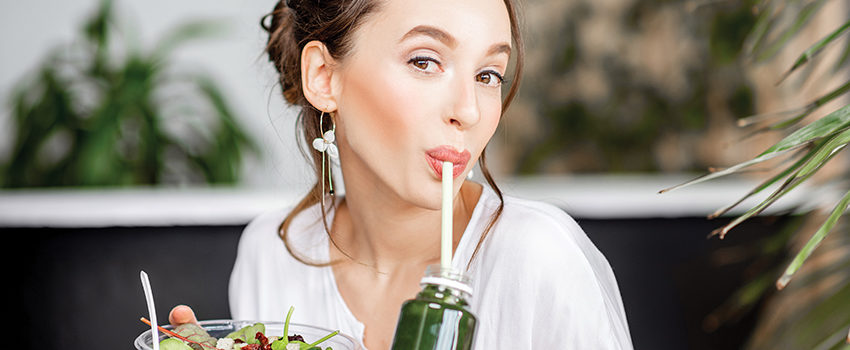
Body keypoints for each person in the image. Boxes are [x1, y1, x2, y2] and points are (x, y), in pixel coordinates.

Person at [170, 0, 634, 348]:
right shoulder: (273, 254)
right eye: (425, 61)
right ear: (324, 77)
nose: (468, 111)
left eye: (489, 74)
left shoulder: (536, 258)